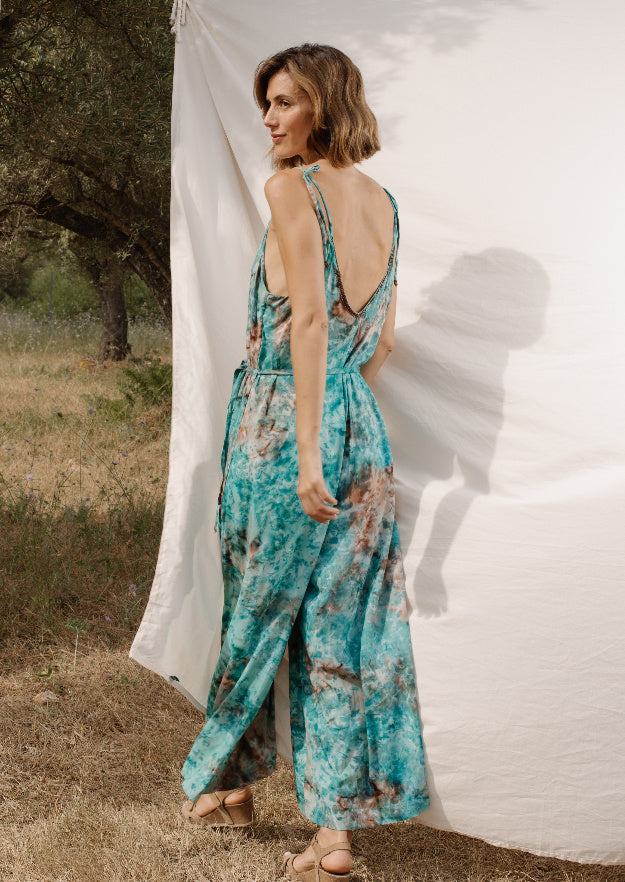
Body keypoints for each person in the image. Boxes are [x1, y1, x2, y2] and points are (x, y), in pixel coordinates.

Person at [180, 43, 429, 881]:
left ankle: (225, 782)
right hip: (360, 425)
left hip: (285, 425)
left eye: (284, 101)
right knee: (340, 634)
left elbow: (312, 321)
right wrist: (342, 424)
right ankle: (331, 835)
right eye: (266, 102)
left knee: (254, 613)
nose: (268, 119)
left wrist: (307, 449)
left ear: (323, 105)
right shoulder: (386, 204)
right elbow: (379, 343)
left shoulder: (291, 188)